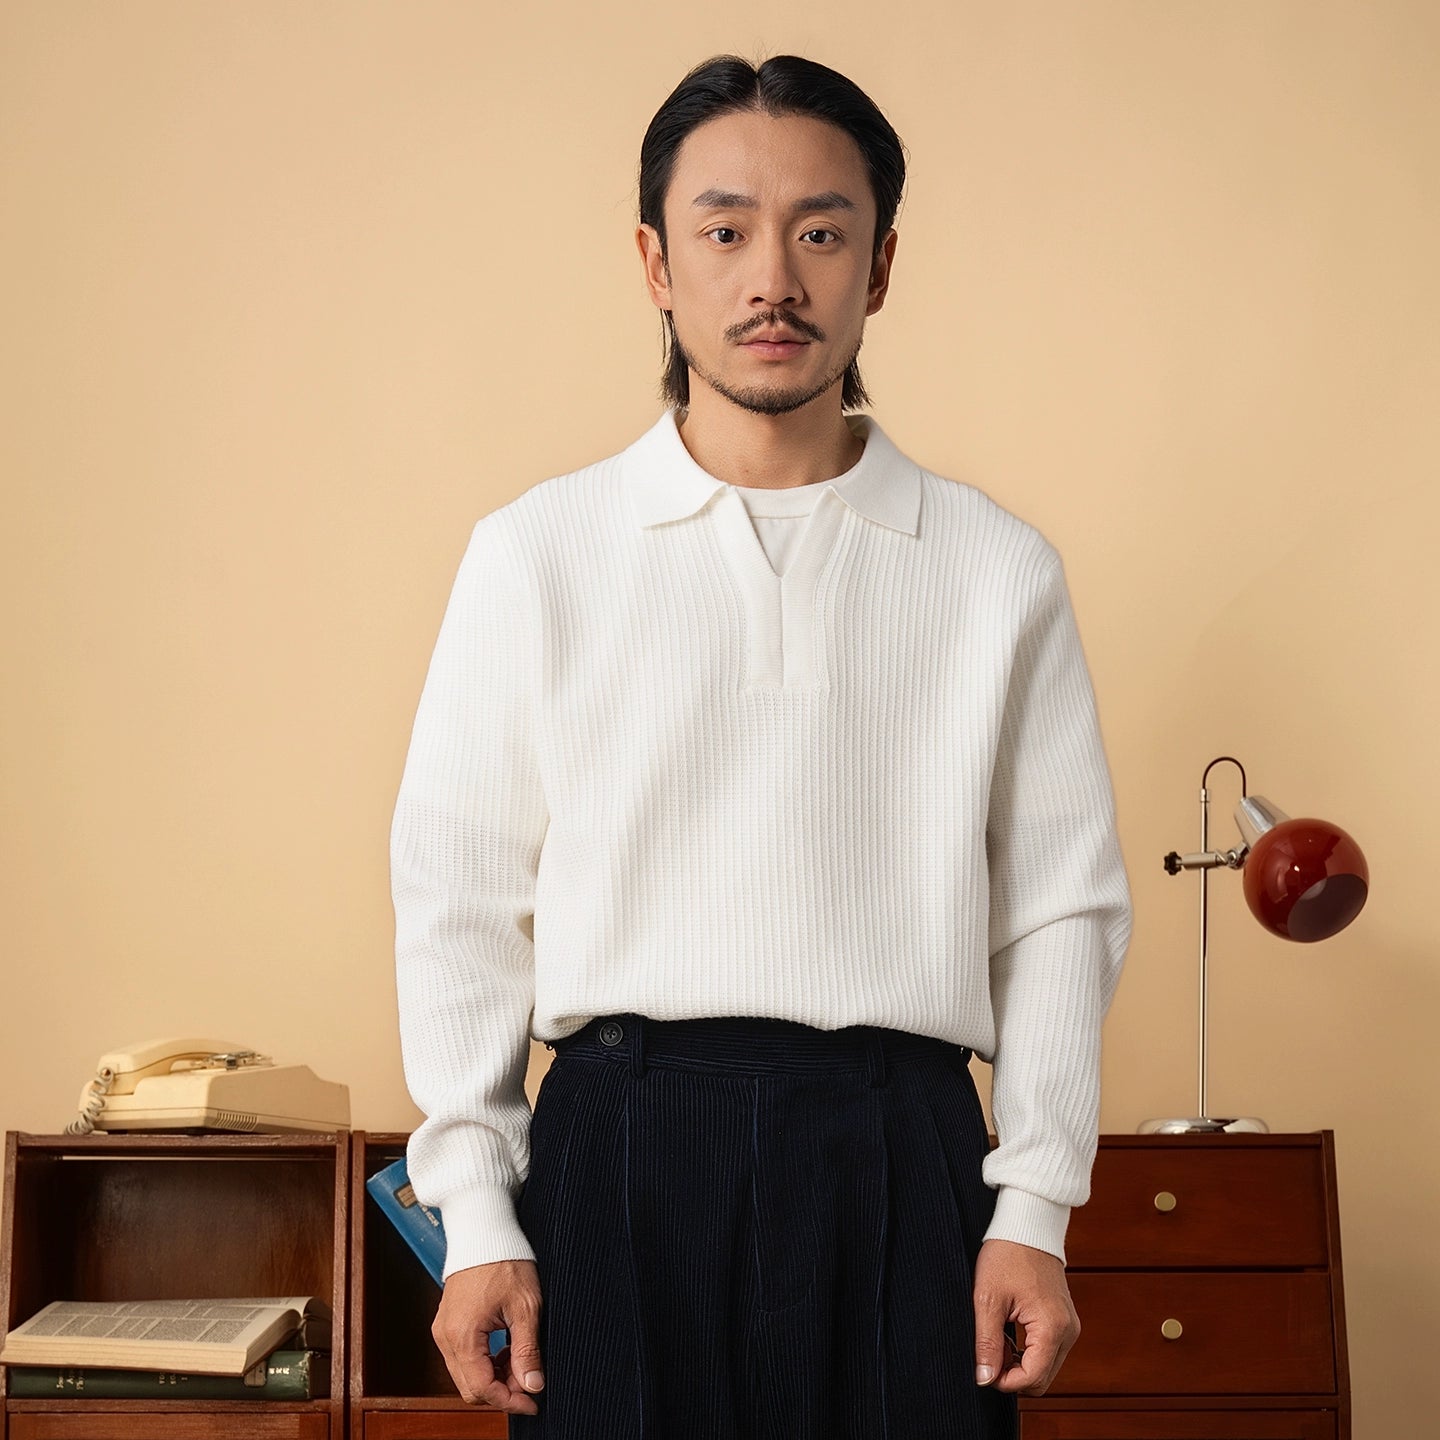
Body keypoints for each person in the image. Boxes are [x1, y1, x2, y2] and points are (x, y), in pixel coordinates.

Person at [390, 52, 1132, 1440]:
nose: (772, 279)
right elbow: (458, 902)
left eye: (821, 233)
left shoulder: (995, 570)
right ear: (657, 264)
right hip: (617, 1144)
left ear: (881, 265)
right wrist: (477, 1212)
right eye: (725, 230)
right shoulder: (538, 554)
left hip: (902, 1148)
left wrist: (1034, 1206)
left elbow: (1060, 912)